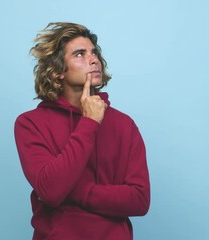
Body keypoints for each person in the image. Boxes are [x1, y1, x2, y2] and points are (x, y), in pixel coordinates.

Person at [14, 22, 150, 240]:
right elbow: (51, 190)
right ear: (58, 70)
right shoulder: (30, 123)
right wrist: (89, 122)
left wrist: (78, 192)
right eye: (79, 54)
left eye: (94, 52)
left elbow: (139, 200)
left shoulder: (124, 124)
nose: (93, 59)